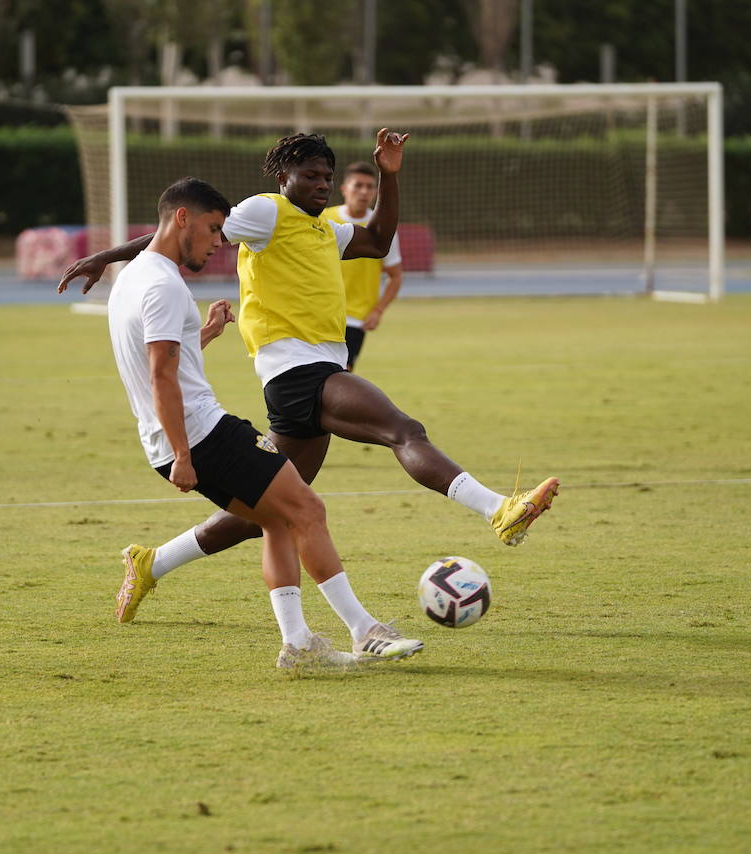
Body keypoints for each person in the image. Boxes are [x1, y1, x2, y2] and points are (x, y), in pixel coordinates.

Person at [59, 129, 559, 624]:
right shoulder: (264, 212)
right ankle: (498, 510)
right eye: (312, 175)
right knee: (402, 430)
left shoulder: (325, 229)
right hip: (296, 371)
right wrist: (109, 257)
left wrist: (388, 176)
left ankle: (152, 562)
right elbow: (183, 232)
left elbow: (381, 240)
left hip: (318, 370)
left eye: (328, 177)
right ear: (285, 177)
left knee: (267, 513)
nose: (323, 184)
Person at [102, 175, 424, 667]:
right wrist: (185, 456)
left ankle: (298, 646)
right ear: (182, 218)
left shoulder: (133, 278)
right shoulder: (165, 285)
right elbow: (162, 377)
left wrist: (202, 334)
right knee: (307, 510)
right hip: (202, 434)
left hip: (167, 441)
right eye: (213, 230)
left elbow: (156, 363)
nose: (218, 244)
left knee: (275, 521)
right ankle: (364, 630)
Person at [323, 161, 404, 370]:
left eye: (369, 187)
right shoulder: (323, 219)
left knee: (341, 375)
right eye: (358, 185)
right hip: (319, 312)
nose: (364, 191)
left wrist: (378, 310)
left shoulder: (382, 228)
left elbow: (395, 275)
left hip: (354, 318)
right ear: (344, 189)